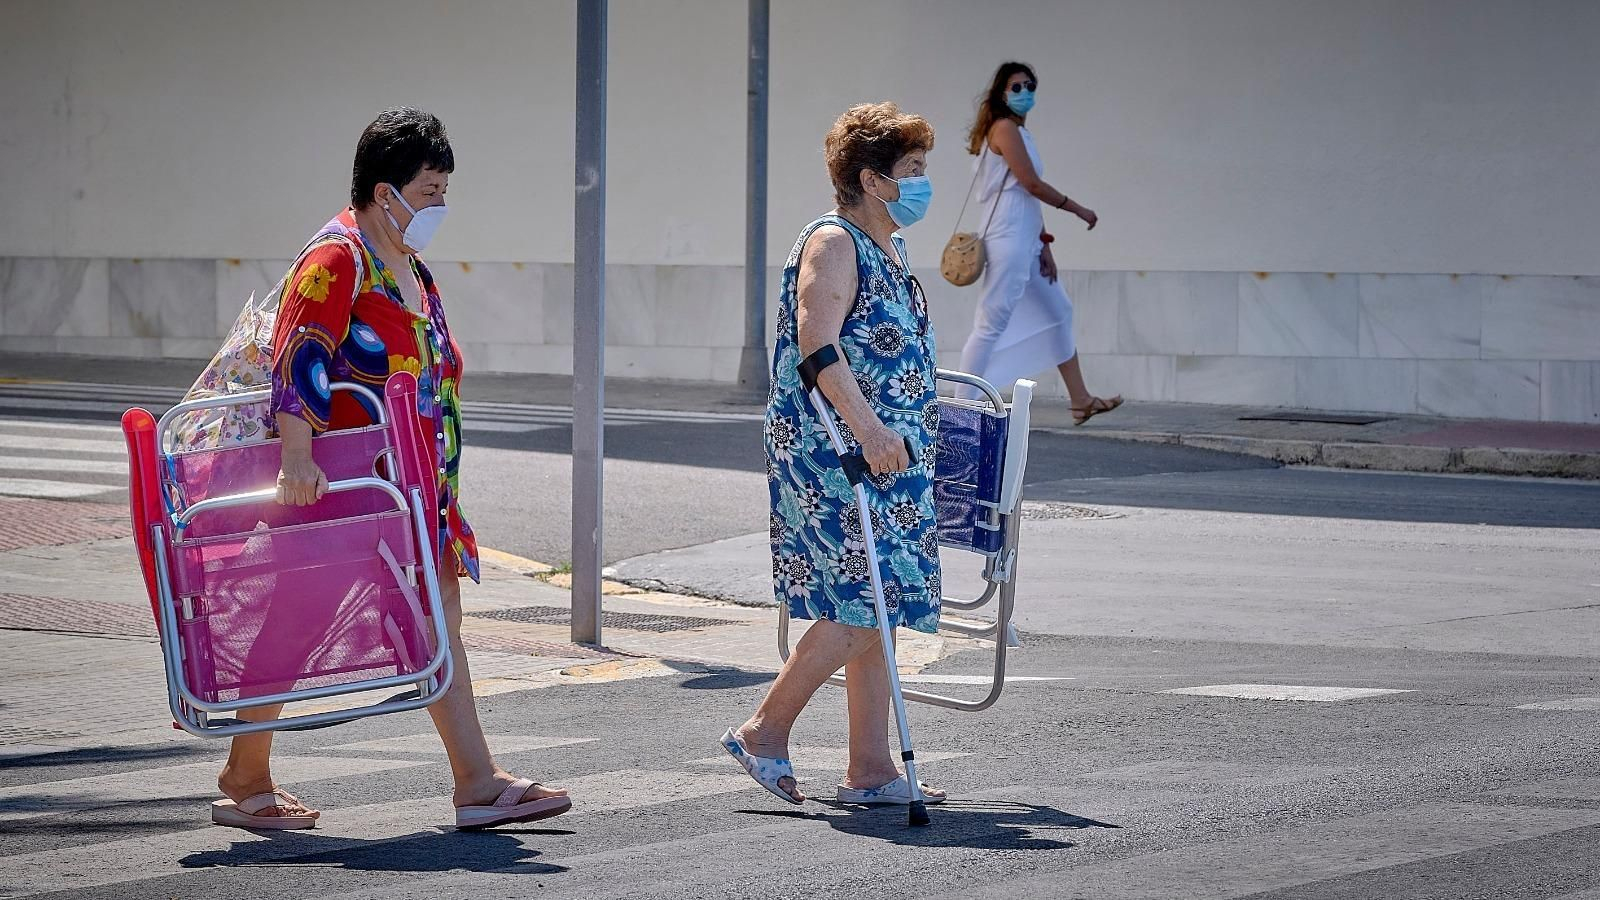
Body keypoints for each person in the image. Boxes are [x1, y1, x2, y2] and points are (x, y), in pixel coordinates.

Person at [213, 107, 571, 831]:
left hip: (413, 490)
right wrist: (296, 459)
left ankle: (476, 779)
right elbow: (300, 354)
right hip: (348, 486)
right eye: (431, 189)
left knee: (436, 617)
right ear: (386, 192)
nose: (441, 205)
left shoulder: (406, 264)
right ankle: (244, 775)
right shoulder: (339, 257)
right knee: (297, 623)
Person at [722, 102, 947, 807]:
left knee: (882, 598)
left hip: (887, 451)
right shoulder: (834, 241)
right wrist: (873, 432)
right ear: (873, 178)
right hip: (839, 452)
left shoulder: (888, 246)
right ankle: (763, 730)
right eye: (912, 171)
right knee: (861, 597)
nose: (922, 183)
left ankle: (870, 767)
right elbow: (819, 346)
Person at [957, 61, 1121, 424]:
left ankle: (1081, 400)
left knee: (1058, 311)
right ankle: (959, 410)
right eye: (1016, 87)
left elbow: (1026, 196)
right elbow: (1031, 184)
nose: (1024, 93)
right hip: (1008, 240)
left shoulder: (1018, 131)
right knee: (991, 323)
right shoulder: (1003, 129)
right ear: (1001, 92)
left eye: (1029, 86)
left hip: (1025, 240)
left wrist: (1045, 245)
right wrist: (1078, 209)